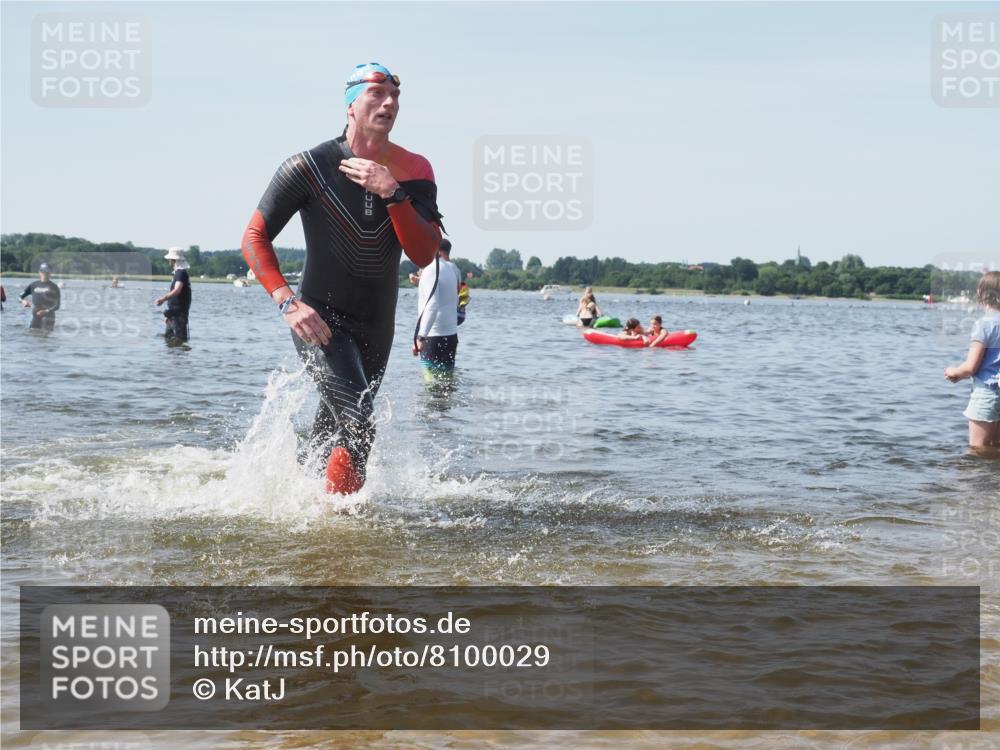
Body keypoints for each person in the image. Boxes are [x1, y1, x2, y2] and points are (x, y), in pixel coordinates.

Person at [241, 62, 442, 494]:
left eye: (395, 96)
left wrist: (392, 192)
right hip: (318, 319)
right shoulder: (309, 166)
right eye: (376, 93)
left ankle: (302, 493)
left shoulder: (414, 170)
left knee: (337, 422)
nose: (389, 102)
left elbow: (425, 253)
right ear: (350, 104)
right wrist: (286, 302)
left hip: (377, 324)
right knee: (358, 418)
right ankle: (341, 526)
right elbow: (255, 237)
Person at [945, 271, 1000, 452]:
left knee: (978, 450)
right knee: (995, 448)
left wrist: (954, 372)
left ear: (982, 294)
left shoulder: (984, 325)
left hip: (988, 393)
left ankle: (978, 480)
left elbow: (970, 367)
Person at [411, 238, 461, 383]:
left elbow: (432, 305)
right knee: (446, 388)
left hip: (433, 338)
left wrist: (420, 338)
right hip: (450, 336)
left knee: (432, 390)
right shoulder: (450, 269)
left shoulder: (430, 270)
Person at [155, 247, 192, 343]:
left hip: (179, 314)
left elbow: (177, 290)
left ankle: (177, 356)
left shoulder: (181, 273)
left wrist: (162, 299)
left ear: (173, 260)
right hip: (173, 313)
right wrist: (168, 316)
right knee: (169, 340)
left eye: (169, 260)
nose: (168, 262)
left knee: (180, 339)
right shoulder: (178, 273)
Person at [19, 263, 61, 332]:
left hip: (48, 316)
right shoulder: (33, 285)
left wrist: (46, 311)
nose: (45, 274)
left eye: (47, 272)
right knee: (32, 335)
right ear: (39, 272)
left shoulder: (54, 287)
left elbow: (57, 305)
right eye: (43, 271)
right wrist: (23, 301)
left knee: (45, 337)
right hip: (36, 316)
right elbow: (20, 296)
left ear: (50, 273)